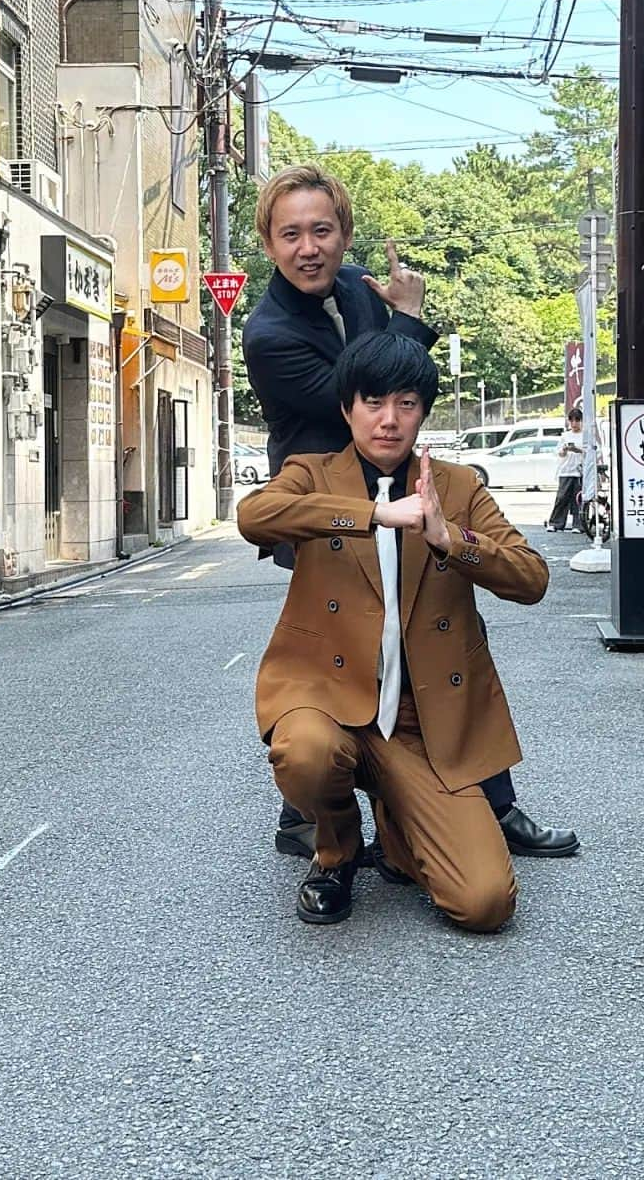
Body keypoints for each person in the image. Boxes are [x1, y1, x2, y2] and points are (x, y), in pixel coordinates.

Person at [242, 164, 578, 864]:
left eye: (322, 230)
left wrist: (404, 319)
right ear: (269, 245)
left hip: (400, 484)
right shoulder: (269, 333)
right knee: (343, 638)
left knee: (445, 625)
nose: (309, 248)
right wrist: (411, 320)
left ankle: (489, 800)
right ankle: (313, 811)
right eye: (291, 234)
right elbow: (361, 392)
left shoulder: (361, 287)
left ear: (345, 234)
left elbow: (396, 380)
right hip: (323, 502)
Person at [238, 332, 552, 930]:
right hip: (328, 704)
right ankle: (335, 854)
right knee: (306, 752)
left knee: (485, 903)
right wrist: (376, 514)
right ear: (346, 408)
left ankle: (398, 823)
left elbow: (531, 578)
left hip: (421, 722)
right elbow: (254, 517)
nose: (388, 420)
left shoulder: (456, 486)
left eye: (406, 404)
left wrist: (448, 537)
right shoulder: (310, 473)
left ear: (423, 413)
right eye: (373, 401)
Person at [547, 408, 583, 533]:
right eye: (572, 420)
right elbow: (559, 453)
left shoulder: (586, 436)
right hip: (566, 470)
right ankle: (555, 523)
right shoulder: (565, 436)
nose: (574, 423)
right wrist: (564, 450)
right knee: (561, 497)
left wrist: (579, 451)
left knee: (578, 499)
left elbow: (594, 451)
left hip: (579, 471)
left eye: (577, 420)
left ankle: (578, 525)